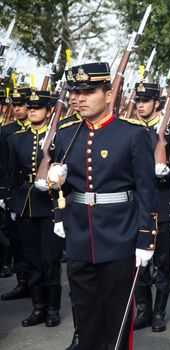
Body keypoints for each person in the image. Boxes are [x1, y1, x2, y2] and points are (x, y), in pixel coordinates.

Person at [48, 62, 158, 350]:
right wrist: (59, 213)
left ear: (108, 94)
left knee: (117, 324)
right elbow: (62, 183)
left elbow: (147, 190)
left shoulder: (132, 134)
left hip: (120, 237)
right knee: (86, 322)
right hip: (80, 238)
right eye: (76, 91)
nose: (80, 98)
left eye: (88, 91)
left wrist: (146, 237)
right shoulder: (66, 133)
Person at [7, 89, 65, 327]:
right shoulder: (16, 138)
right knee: (32, 259)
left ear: (48, 110)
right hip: (25, 204)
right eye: (30, 108)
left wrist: (54, 179)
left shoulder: (58, 137)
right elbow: (11, 173)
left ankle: (52, 308)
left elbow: (64, 169)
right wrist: (10, 201)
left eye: (37, 108)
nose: (32, 112)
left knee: (50, 259)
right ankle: (38, 307)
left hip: (48, 204)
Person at [132, 81, 170, 333]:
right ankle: (144, 310)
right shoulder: (131, 130)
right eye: (138, 101)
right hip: (139, 206)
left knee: (164, 260)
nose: (140, 105)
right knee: (139, 261)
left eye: (145, 101)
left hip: (163, 202)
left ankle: (158, 312)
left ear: (156, 103)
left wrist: (166, 173)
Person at [0, 87, 32, 301]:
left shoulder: (44, 130)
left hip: (38, 193)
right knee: (18, 241)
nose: (17, 109)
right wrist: (5, 194)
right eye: (15, 105)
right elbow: (4, 165)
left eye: (22, 105)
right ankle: (22, 282)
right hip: (17, 193)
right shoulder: (6, 131)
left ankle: (40, 285)